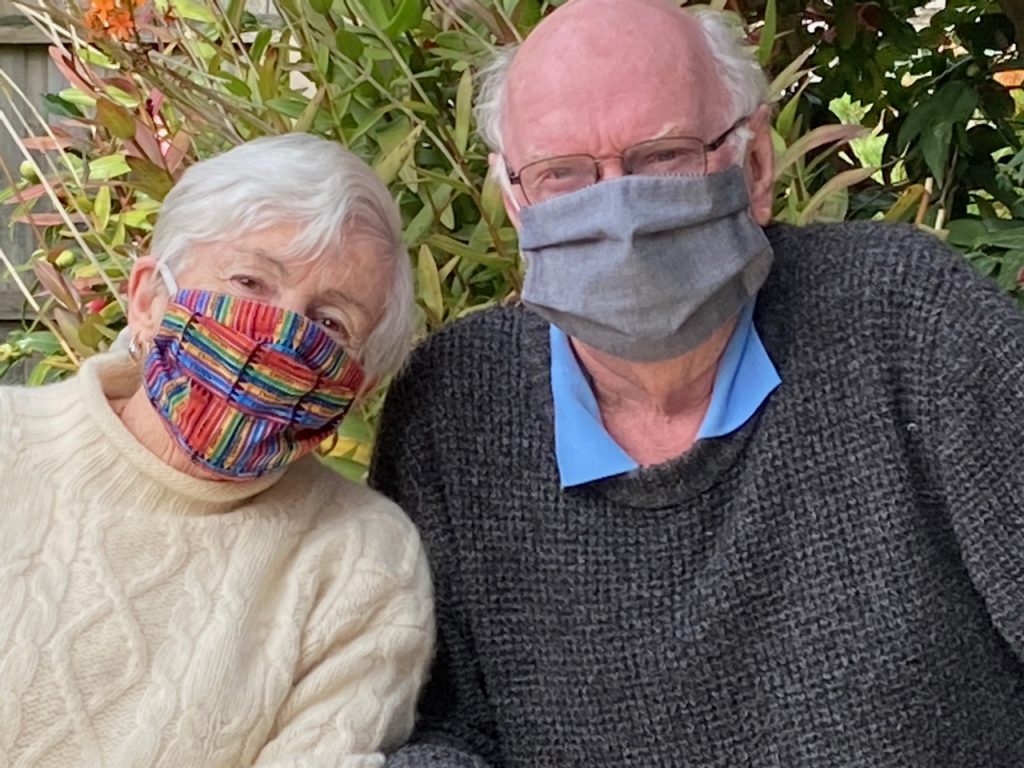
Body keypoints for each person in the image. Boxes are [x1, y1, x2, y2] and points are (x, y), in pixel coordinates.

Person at [369, 0, 1024, 765]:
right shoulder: (455, 406)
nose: (615, 207)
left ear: (753, 166)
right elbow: (438, 726)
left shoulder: (908, 323)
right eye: (564, 175)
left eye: (663, 156)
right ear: (515, 200)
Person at [0, 134, 433, 767]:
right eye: (250, 280)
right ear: (149, 299)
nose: (280, 334)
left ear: (357, 386)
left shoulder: (361, 562)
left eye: (330, 322)